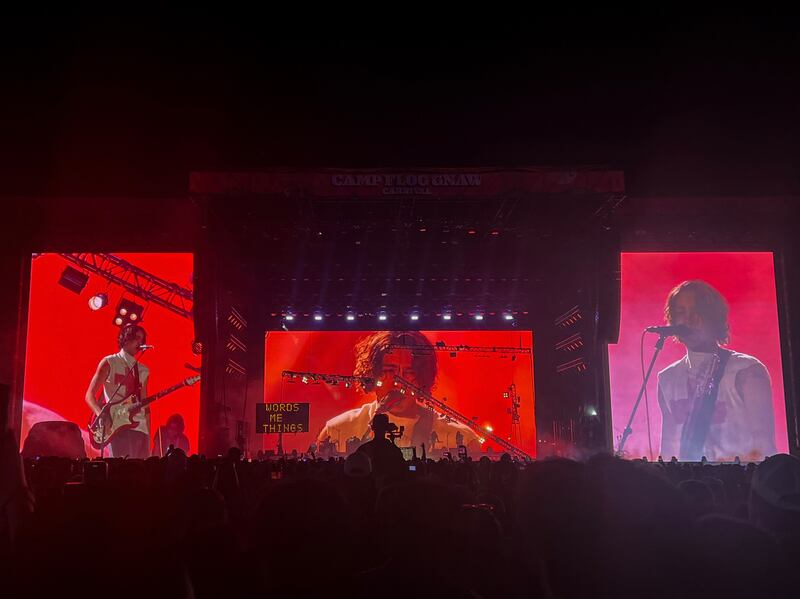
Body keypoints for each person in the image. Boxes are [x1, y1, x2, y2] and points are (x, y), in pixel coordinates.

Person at [657, 280, 776, 462]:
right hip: (689, 478)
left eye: (697, 311)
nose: (689, 319)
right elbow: (668, 448)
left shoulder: (747, 370)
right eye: (681, 312)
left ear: (713, 318)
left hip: (740, 477)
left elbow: (765, 445)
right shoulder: (667, 378)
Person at [316, 331, 480, 454]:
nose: (398, 381)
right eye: (389, 370)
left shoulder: (463, 438)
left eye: (409, 372)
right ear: (373, 374)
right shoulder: (337, 430)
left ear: (422, 377)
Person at [85, 324, 150, 458]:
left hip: (141, 428)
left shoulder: (143, 370)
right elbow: (89, 395)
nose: (140, 343)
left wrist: (148, 432)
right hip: (119, 426)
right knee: (122, 468)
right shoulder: (110, 362)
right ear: (126, 339)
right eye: (136, 338)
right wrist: (101, 415)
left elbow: (145, 405)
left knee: (142, 470)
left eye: (142, 340)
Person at [355, 413, 406, 483]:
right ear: (386, 428)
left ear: (373, 428)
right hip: (389, 486)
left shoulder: (363, 449)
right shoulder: (393, 449)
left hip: (367, 487)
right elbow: (402, 469)